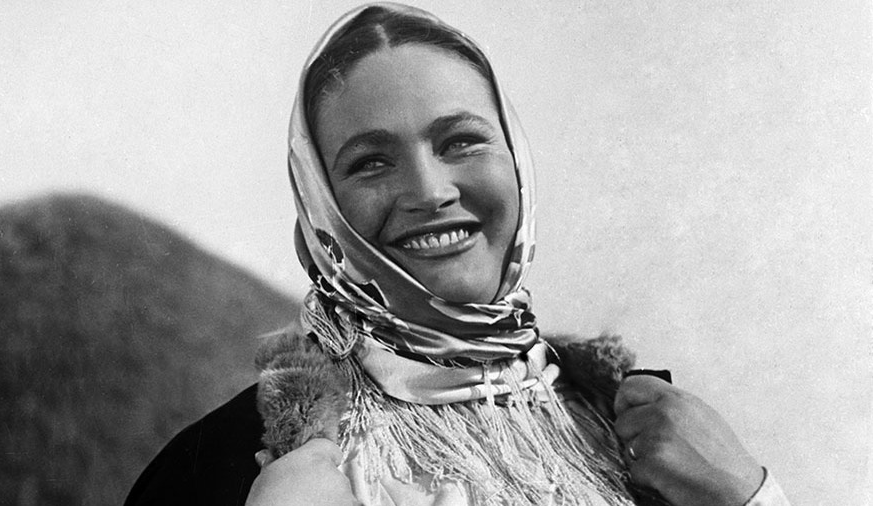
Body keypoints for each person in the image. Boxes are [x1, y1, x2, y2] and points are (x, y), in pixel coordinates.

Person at [125, 4, 791, 505]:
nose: (429, 191)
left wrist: (748, 495)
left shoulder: (641, 427)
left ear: (516, 162)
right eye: (371, 161)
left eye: (461, 142)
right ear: (320, 205)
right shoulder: (226, 469)